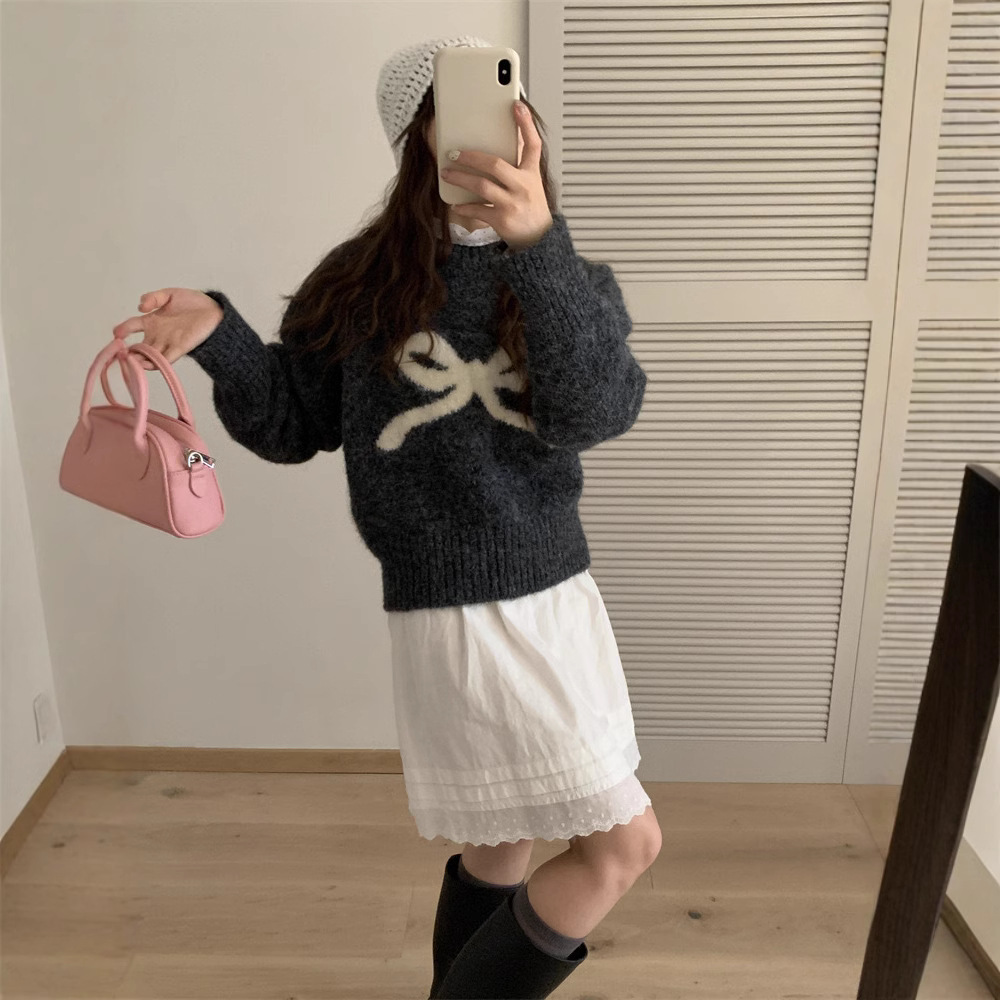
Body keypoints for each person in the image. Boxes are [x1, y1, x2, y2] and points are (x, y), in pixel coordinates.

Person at [112, 34, 661, 1000]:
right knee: (624, 848)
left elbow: (595, 410)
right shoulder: (365, 280)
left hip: (558, 597)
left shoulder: (564, 275)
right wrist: (222, 338)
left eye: (508, 108)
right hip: (466, 614)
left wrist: (538, 248)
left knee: (502, 842)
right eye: (462, 114)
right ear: (418, 142)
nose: (494, 134)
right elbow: (293, 422)